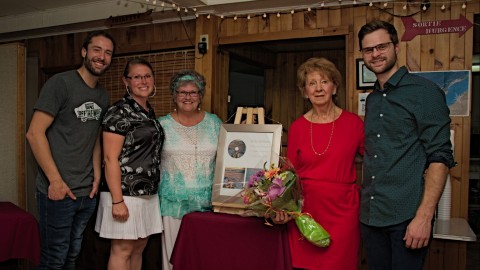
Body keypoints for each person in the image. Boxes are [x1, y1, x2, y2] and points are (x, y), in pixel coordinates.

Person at [358, 20, 455, 270]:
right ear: (363, 55)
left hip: (407, 216)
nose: (376, 54)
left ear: (396, 47)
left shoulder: (425, 93)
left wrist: (424, 217)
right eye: (369, 50)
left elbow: (440, 157)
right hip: (371, 215)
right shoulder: (373, 99)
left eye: (382, 46)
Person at [25, 30, 115, 270]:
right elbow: (34, 133)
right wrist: (55, 181)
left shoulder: (102, 95)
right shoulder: (60, 83)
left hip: (87, 192)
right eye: (97, 49)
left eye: (108, 53)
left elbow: (94, 137)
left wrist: (97, 176)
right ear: (84, 52)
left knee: (73, 254)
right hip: (58, 192)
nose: (102, 56)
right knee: (55, 257)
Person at [273, 57, 365, 270]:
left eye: (324, 81)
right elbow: (289, 173)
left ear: (334, 87)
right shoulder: (297, 127)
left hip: (343, 212)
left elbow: (375, 159)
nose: (318, 88)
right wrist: (282, 207)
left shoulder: (354, 124)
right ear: (305, 92)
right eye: (311, 83)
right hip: (307, 212)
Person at [94, 58, 165, 270]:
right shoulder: (119, 112)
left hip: (147, 193)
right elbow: (109, 158)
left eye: (147, 76)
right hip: (124, 193)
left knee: (138, 248)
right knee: (123, 250)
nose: (143, 81)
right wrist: (117, 201)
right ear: (126, 81)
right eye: (137, 77)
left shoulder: (147, 112)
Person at [158, 70, 222, 270]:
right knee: (173, 260)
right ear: (174, 95)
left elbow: (225, 160)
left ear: (200, 95)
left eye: (193, 92)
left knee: (204, 258)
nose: (187, 97)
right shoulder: (161, 125)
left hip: (208, 205)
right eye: (182, 92)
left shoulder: (215, 123)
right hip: (173, 205)